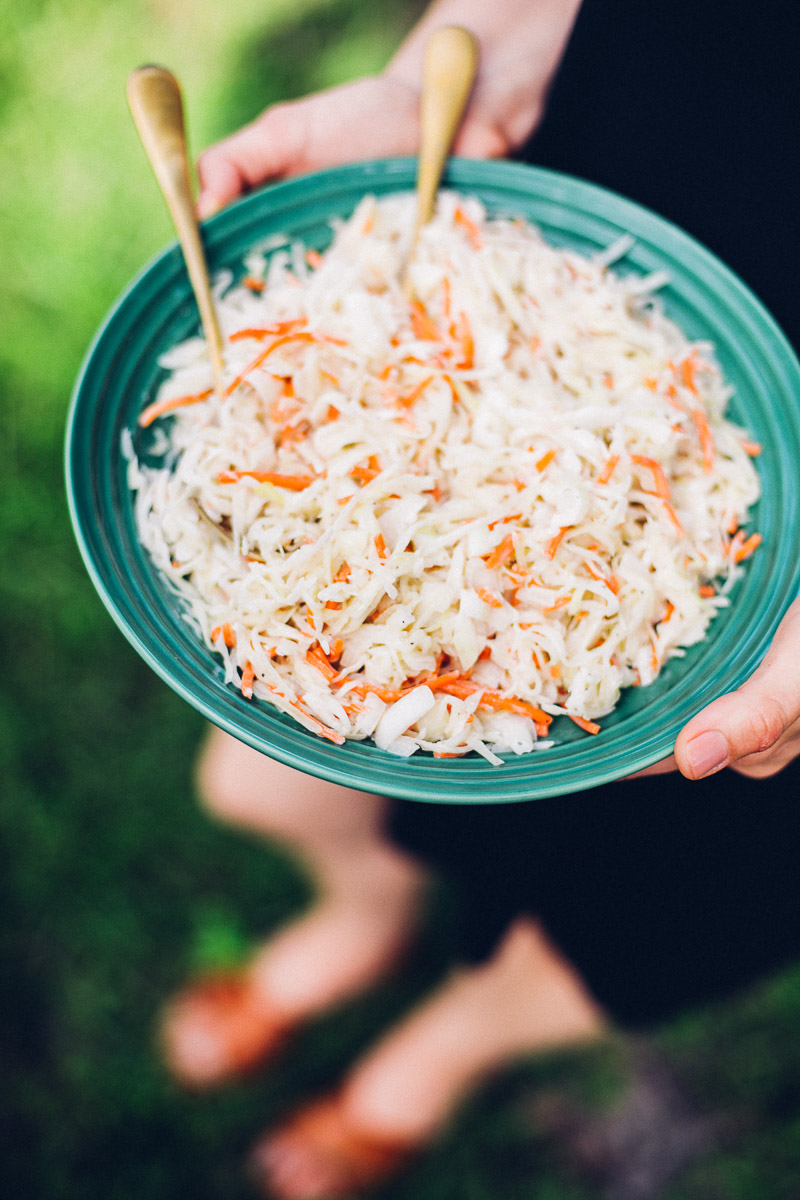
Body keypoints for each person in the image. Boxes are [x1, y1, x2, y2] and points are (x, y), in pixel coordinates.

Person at [163, 2, 800, 1196]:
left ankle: (438, 1057)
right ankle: (363, 917)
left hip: (750, 546)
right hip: (620, 182)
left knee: (649, 900)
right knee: (269, 777)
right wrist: (478, 47)